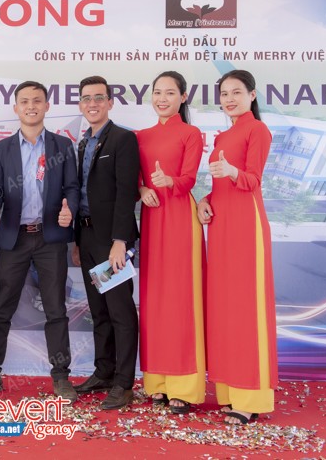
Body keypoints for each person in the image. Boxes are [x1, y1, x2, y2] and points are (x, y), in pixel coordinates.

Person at [0, 81, 80, 402]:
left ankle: (61, 377)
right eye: (24, 101)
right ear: (16, 108)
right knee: (2, 308)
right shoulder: (3, 149)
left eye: (37, 100)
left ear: (47, 106)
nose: (31, 106)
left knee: (56, 309)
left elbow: (72, 187)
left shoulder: (62, 146)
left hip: (50, 238)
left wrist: (70, 209)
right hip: (14, 237)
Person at [197, 70, 277, 426]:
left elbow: (252, 180)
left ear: (252, 95)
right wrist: (206, 199)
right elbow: (223, 184)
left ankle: (251, 397)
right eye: (224, 93)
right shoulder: (223, 136)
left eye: (237, 92)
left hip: (246, 226)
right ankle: (230, 392)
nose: (229, 99)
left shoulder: (257, 129)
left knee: (247, 309)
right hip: (221, 227)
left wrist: (230, 171)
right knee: (225, 309)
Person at [136, 71, 205, 414]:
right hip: (152, 217)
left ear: (183, 96)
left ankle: (184, 385)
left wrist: (169, 181)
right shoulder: (140, 136)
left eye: (169, 93)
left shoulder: (191, 134)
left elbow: (189, 178)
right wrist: (143, 188)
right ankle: (157, 383)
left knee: (181, 299)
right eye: (157, 92)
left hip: (179, 217)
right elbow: (135, 177)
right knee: (154, 300)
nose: (162, 99)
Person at [72, 75, 140, 410]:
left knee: (119, 311)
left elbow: (127, 193)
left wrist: (119, 241)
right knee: (98, 311)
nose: (93, 103)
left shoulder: (123, 139)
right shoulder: (83, 142)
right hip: (86, 237)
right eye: (86, 98)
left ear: (110, 102)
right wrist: (76, 240)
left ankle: (124, 383)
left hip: (110, 240)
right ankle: (104, 372)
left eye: (99, 97)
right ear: (80, 104)